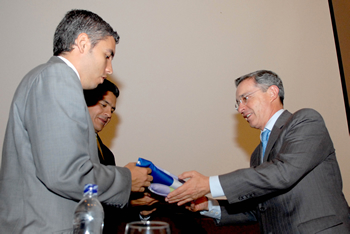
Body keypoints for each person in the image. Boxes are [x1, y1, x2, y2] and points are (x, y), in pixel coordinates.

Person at [0, 9, 152, 233]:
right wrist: (127, 179)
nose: (109, 69)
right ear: (82, 43)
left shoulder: (47, 77)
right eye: (107, 55)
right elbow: (66, 173)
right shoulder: (57, 77)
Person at [166, 70, 350, 233]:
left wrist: (209, 183)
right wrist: (208, 206)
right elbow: (259, 209)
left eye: (245, 98)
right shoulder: (257, 153)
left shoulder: (305, 121)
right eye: (237, 103)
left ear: (272, 92)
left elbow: (284, 173)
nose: (240, 108)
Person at [84, 80, 158, 233]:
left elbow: (105, 206)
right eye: (104, 105)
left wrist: (134, 204)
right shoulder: (69, 144)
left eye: (112, 110)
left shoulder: (106, 154)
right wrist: (124, 182)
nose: (108, 114)